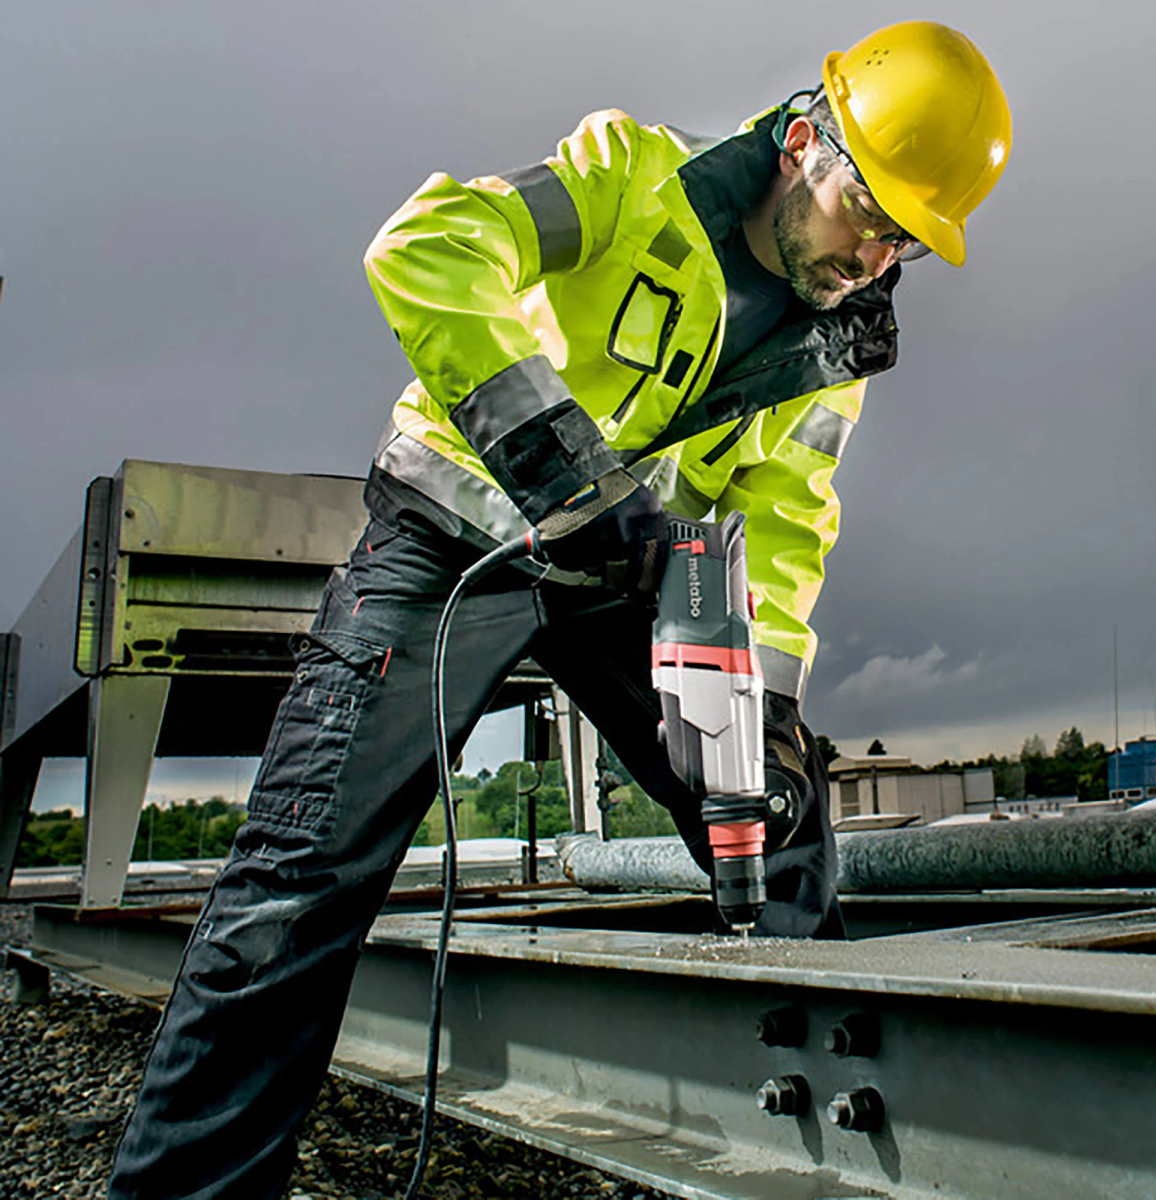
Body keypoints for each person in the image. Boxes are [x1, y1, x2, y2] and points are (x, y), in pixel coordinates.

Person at [108, 19, 1010, 1198]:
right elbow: (425, 247)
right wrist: (566, 473)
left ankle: (841, 1157)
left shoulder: (836, 342)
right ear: (803, 142)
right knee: (300, 882)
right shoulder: (626, 176)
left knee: (775, 817)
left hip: (626, 582)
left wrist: (770, 712)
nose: (876, 257)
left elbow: (790, 518)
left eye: (907, 242)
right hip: (453, 540)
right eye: (868, 212)